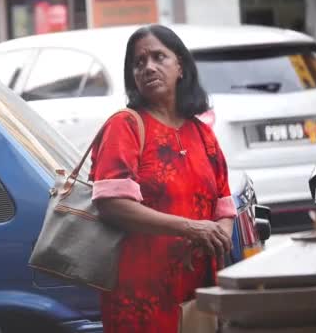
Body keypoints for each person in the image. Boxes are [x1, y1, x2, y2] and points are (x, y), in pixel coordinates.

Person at [89, 25, 236, 332]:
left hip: (198, 292)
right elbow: (111, 203)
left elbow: (224, 205)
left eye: (159, 57)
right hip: (140, 295)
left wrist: (218, 233)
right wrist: (191, 228)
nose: (148, 67)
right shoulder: (125, 126)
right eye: (139, 62)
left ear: (180, 66)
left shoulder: (202, 133)